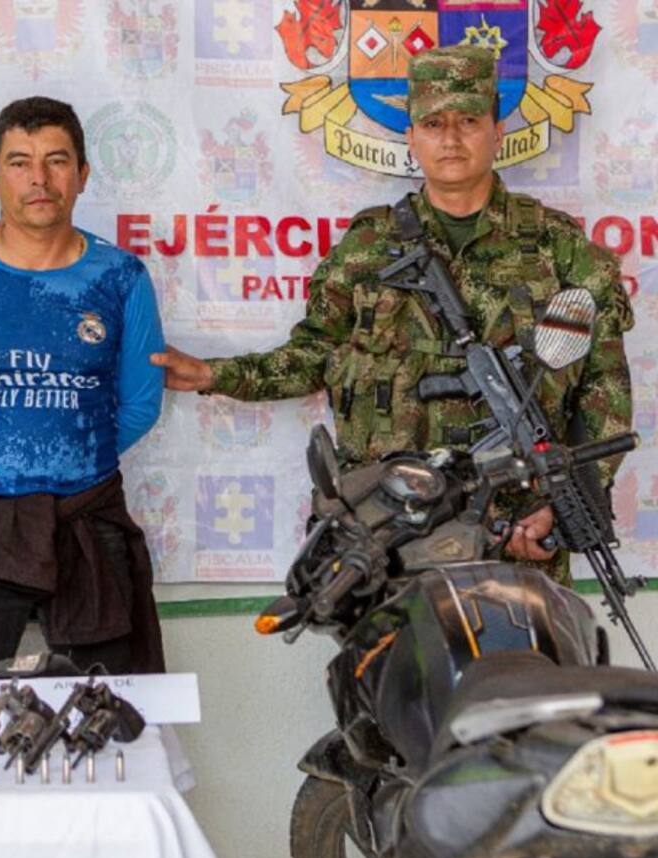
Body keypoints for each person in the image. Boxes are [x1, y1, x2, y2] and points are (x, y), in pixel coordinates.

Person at [153, 46, 633, 565]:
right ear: (411, 137)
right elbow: (316, 356)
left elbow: (604, 393)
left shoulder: (561, 250)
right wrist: (212, 374)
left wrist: (558, 510)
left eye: (469, 120)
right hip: (387, 530)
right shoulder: (369, 247)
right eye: (432, 123)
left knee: (519, 648)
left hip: (509, 529)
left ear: (497, 132)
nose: (450, 139)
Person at [0, 96, 166, 674]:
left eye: (57, 161)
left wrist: (71, 455)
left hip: (87, 511)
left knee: (112, 697)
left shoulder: (121, 277)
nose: (38, 179)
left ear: (83, 175)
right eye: (19, 162)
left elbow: (141, 402)